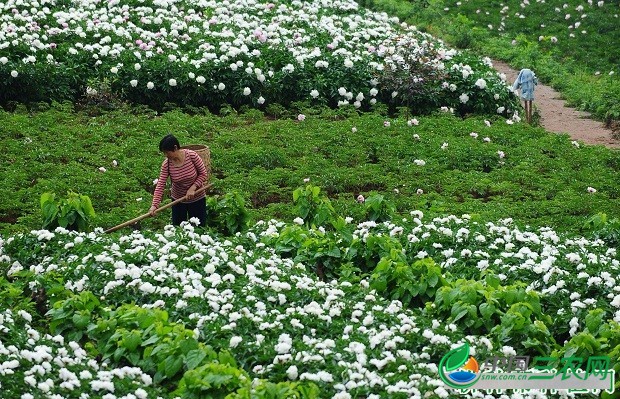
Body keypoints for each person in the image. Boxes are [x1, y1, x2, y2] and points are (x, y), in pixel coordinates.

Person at [149, 134, 208, 226]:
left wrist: (193, 188)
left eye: (167, 152)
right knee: (178, 228)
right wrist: (154, 205)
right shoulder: (167, 165)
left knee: (199, 228)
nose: (165, 155)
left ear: (175, 148)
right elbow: (160, 185)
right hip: (178, 200)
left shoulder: (192, 156)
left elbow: (203, 174)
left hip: (197, 197)